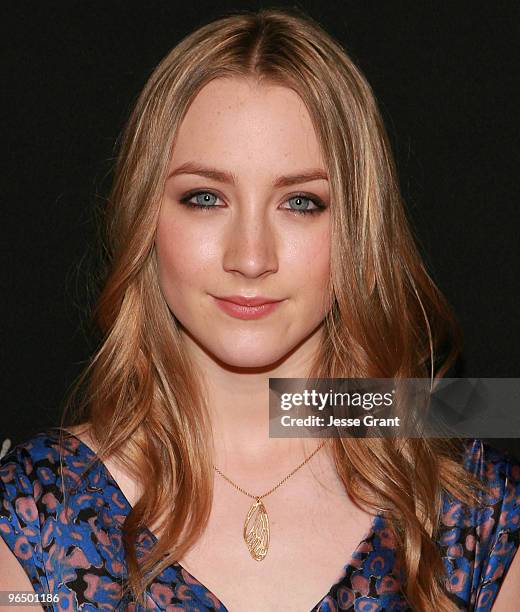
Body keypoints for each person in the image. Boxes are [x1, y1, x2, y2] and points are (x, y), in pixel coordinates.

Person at [1, 7, 519, 611]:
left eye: (300, 202)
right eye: (205, 198)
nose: (251, 257)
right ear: (145, 216)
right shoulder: (38, 512)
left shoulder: (472, 515)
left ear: (358, 227)